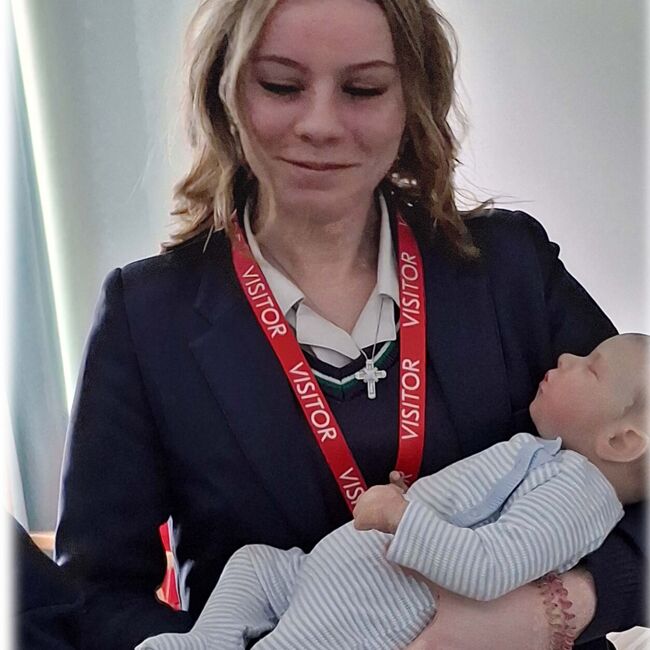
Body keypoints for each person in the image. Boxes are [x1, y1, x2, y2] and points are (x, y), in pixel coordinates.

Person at [54, 1, 645, 649]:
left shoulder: (510, 265)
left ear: (412, 100)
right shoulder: (146, 315)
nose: (321, 124)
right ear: (225, 92)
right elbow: (95, 594)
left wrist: (552, 609)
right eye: (281, 85)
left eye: (363, 89)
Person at [133, 334, 647, 650]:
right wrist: (421, 499)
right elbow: (476, 509)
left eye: (591, 367)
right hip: (333, 570)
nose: (567, 355)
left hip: (376, 606)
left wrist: (403, 517)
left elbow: (491, 567)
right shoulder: (554, 458)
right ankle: (208, 641)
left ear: (622, 442)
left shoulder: (579, 495)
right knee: (253, 565)